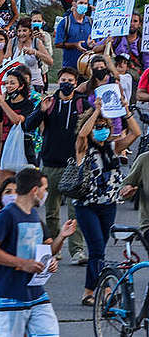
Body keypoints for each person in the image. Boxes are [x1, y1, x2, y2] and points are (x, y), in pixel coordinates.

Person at [0, 167, 78, 336]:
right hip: (10, 296)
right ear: (34, 190)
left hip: (36, 294)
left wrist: (61, 237)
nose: (46, 193)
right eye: (45, 189)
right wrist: (23, 263)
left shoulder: (33, 215)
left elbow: (47, 251)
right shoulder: (7, 215)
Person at [73, 100, 141, 305]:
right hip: (87, 205)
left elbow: (136, 133)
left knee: (99, 249)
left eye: (104, 126)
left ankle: (93, 290)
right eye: (98, 127)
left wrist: (127, 112)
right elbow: (83, 134)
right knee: (95, 248)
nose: (101, 130)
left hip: (108, 204)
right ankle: (100, 291)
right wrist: (96, 112)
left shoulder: (113, 146)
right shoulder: (83, 147)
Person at [24, 67, 87, 265]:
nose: (66, 83)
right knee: (51, 211)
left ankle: (77, 250)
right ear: (57, 82)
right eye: (62, 80)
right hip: (50, 163)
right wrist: (41, 111)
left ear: (75, 83)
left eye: (69, 80)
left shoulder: (81, 104)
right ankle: (54, 248)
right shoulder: (49, 103)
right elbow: (29, 125)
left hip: (74, 165)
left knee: (74, 211)